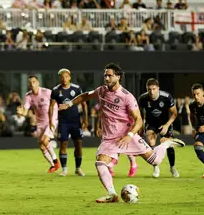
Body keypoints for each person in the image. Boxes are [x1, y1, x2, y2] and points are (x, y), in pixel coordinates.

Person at [58, 63, 184, 203]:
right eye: (105, 75)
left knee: (156, 160)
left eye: (110, 75)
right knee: (100, 162)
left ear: (118, 77)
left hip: (127, 136)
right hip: (110, 139)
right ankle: (112, 194)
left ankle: (166, 144)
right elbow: (85, 96)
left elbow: (138, 120)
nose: (106, 78)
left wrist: (129, 136)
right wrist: (68, 104)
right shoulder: (101, 91)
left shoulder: (127, 96)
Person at [127, 78, 184, 178]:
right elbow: (139, 114)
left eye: (154, 89)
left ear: (158, 88)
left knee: (169, 146)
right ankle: (156, 166)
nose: (151, 92)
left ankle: (172, 167)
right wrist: (140, 125)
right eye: (149, 89)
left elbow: (174, 113)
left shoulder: (167, 97)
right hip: (151, 123)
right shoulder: (143, 98)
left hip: (165, 123)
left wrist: (166, 125)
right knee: (151, 142)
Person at [17, 75, 60, 173]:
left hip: (51, 119)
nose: (32, 84)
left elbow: (57, 102)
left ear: (38, 83)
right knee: (42, 146)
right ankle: (53, 165)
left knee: (45, 140)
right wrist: (21, 112)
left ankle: (56, 162)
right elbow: (25, 112)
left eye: (34, 82)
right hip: (40, 122)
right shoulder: (28, 96)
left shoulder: (47, 92)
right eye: (30, 82)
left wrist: (55, 117)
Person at [50, 69, 88, 177]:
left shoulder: (76, 89)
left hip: (75, 121)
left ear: (69, 77)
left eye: (66, 77)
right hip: (63, 122)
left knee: (78, 145)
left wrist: (85, 119)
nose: (64, 79)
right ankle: (64, 169)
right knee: (63, 145)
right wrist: (50, 121)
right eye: (62, 77)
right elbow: (51, 106)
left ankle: (78, 168)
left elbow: (84, 104)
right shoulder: (56, 90)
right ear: (60, 78)